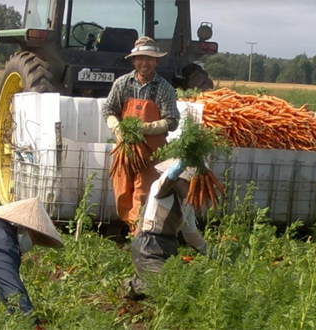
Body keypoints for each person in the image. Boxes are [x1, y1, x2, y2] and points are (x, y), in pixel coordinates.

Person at [103, 36, 180, 233]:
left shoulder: (164, 88)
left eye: (149, 59)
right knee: (121, 191)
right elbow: (109, 110)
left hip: (151, 153)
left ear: (156, 61)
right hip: (125, 150)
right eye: (140, 58)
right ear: (134, 61)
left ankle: (138, 234)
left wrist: (146, 128)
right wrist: (117, 127)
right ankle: (131, 228)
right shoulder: (122, 83)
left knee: (143, 193)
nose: (144, 63)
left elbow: (171, 121)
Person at [123, 159, 207, 300]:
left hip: (169, 250)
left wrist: (213, 253)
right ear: (180, 180)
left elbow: (191, 235)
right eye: (189, 183)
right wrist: (183, 162)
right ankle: (134, 284)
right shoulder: (161, 188)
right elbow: (169, 179)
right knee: (168, 285)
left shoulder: (187, 205)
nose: (191, 188)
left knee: (184, 284)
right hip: (148, 247)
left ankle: (144, 281)